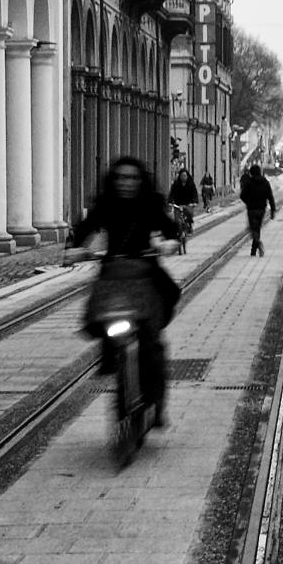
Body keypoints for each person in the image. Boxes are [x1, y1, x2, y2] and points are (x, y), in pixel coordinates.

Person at [77, 157, 182, 427]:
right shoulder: (105, 205)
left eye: (133, 178)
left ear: (141, 181)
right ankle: (112, 356)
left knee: (152, 341)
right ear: (113, 180)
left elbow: (169, 228)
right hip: (113, 277)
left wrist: (168, 242)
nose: (126, 183)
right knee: (102, 321)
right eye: (121, 177)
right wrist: (75, 248)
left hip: (146, 276)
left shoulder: (151, 204)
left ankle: (157, 403)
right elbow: (86, 229)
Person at [240, 162, 277, 256]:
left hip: (251, 209)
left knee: (253, 229)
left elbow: (242, 195)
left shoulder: (249, 182)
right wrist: (273, 210)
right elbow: (270, 197)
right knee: (257, 228)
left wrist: (248, 202)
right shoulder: (265, 182)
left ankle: (257, 243)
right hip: (261, 209)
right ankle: (253, 250)